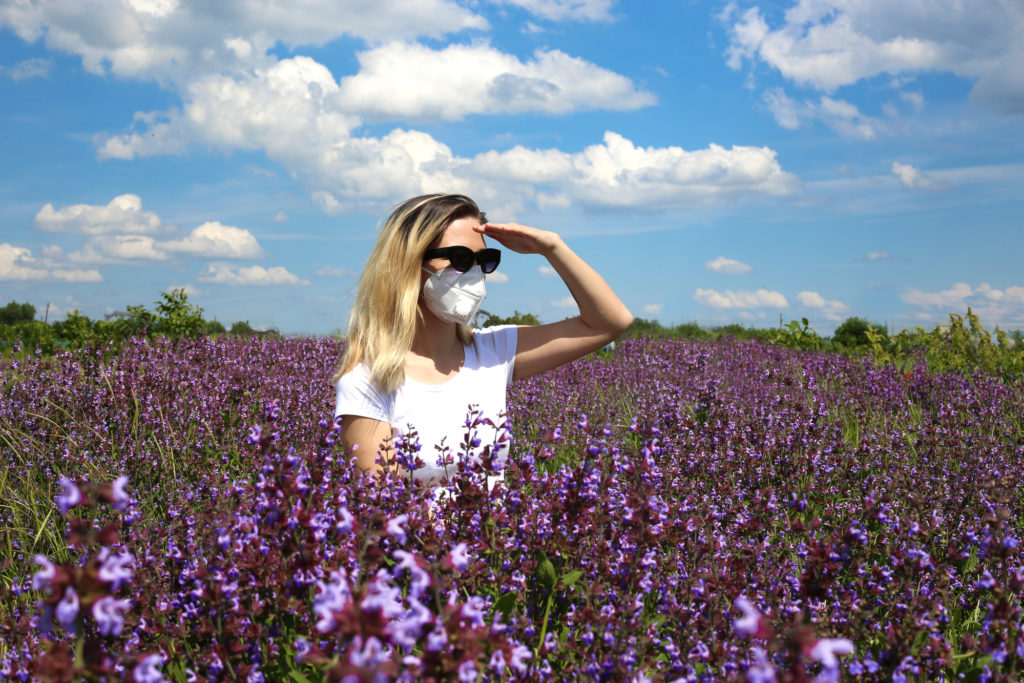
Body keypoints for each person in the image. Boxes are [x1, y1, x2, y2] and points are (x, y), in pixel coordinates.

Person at [332, 193, 632, 486]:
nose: (474, 272)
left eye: (485, 260)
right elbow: (380, 505)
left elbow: (609, 323)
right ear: (408, 263)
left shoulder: (492, 350)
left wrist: (552, 248)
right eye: (460, 258)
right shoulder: (369, 379)